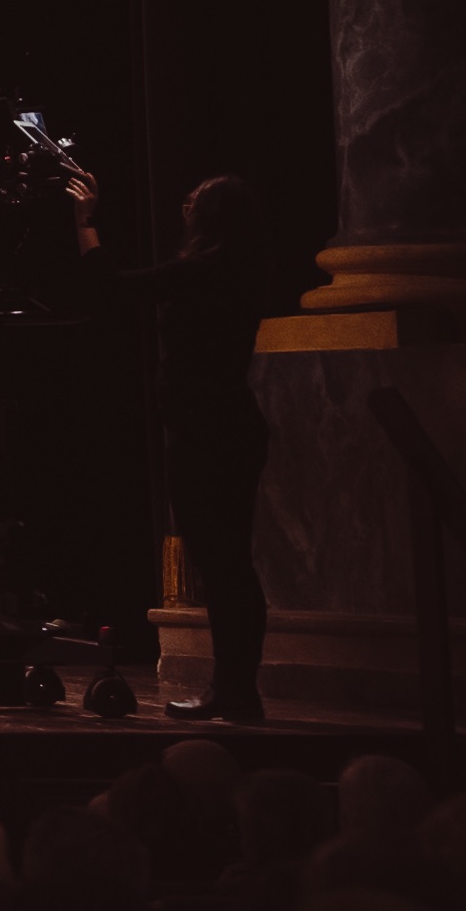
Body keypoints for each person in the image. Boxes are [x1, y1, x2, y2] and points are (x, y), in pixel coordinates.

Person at [121, 171, 279, 722]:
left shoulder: (200, 272)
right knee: (229, 564)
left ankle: (233, 690)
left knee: (223, 565)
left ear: (210, 218)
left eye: (195, 201)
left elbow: (115, 286)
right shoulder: (234, 271)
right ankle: (237, 689)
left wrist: (83, 222)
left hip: (207, 433)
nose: (183, 204)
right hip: (226, 427)